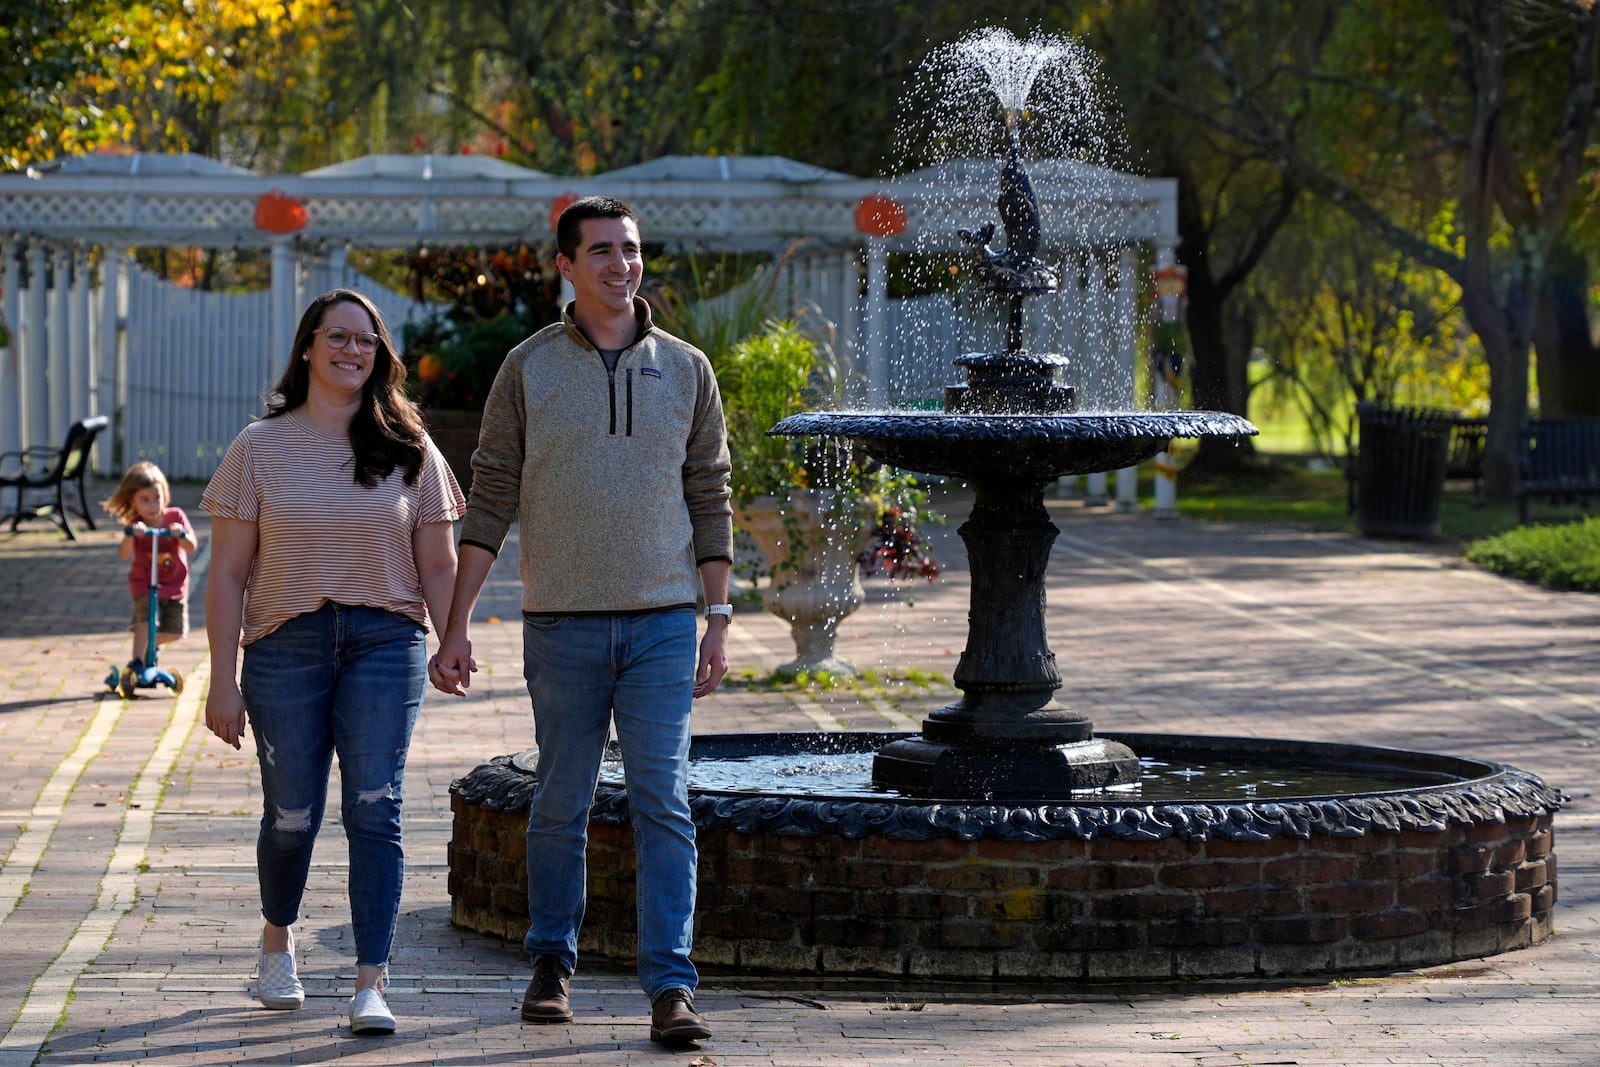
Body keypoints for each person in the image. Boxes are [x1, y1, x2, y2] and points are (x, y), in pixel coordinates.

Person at [430, 195, 733, 1047]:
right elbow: (489, 499)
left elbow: (711, 496)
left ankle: (672, 986)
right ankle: (551, 962)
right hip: (559, 623)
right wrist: (455, 626)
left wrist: (717, 614)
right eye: (600, 251)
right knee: (559, 801)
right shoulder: (527, 369)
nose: (619, 265)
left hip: (665, 622)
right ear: (565, 265)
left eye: (630, 250)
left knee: (662, 799)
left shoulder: (687, 369)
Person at [201, 288, 465, 1036]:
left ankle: (369, 984)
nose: (354, 351)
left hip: (386, 641)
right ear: (308, 348)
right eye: (339, 337)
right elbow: (226, 575)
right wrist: (222, 679)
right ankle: (276, 944)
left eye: (367, 341)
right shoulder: (259, 446)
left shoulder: (411, 447)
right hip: (286, 645)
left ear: (380, 356)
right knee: (292, 815)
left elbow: (438, 563)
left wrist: (452, 638)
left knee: (376, 808)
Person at [102, 461, 199, 674]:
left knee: (175, 631)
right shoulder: (135, 524)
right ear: (133, 502)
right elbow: (124, 554)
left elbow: (191, 547)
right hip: (144, 584)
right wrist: (130, 534)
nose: (153, 505)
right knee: (145, 622)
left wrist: (180, 534)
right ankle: (136, 662)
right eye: (144, 500)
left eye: (157, 497)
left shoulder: (176, 517)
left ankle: (150, 648)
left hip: (174, 584)